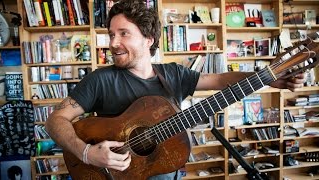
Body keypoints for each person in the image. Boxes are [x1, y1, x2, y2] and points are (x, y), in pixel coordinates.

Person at [45, 0, 305, 179]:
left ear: (148, 39)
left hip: (164, 172)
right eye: (111, 34)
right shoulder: (100, 80)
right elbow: (56, 120)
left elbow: (220, 80)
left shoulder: (173, 74)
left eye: (123, 33)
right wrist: (88, 153)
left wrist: (267, 78)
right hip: (109, 174)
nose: (113, 43)